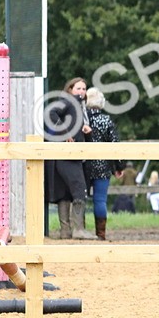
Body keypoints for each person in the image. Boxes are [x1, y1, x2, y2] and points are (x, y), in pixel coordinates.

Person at [45, 77, 97, 239]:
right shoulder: (69, 101)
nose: (81, 92)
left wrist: (84, 130)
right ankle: (79, 229)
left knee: (65, 192)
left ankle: (65, 231)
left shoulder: (76, 106)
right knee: (80, 189)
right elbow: (51, 113)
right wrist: (65, 132)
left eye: (84, 89)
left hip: (65, 155)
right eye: (78, 88)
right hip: (69, 155)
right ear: (70, 90)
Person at [82, 88, 121, 240]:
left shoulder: (83, 120)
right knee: (100, 200)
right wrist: (118, 166)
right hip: (103, 166)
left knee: (82, 197)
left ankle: (80, 230)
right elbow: (115, 144)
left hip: (84, 164)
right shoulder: (106, 120)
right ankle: (101, 234)